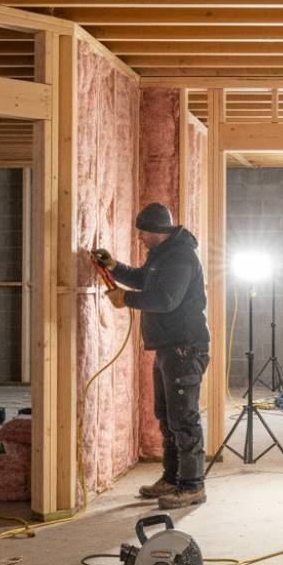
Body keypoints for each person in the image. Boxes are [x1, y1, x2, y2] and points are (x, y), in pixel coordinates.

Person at [93, 202, 210, 510]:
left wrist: (125, 299)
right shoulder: (161, 255)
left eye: (143, 232)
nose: (140, 237)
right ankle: (172, 479)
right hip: (168, 347)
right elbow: (145, 280)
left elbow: (166, 300)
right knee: (167, 417)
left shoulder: (181, 257)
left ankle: (192, 485)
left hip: (185, 348)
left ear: (157, 231)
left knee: (184, 418)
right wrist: (115, 267)